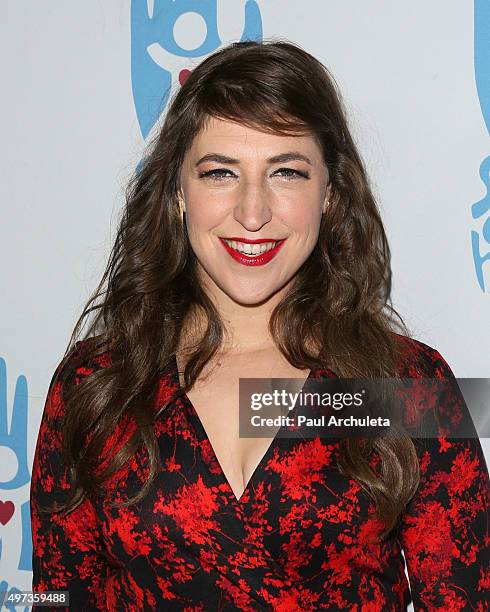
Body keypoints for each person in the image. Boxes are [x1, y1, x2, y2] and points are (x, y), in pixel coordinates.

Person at [30, 39, 490, 611]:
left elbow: (468, 600)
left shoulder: (403, 385)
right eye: (220, 172)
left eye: (287, 173)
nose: (253, 212)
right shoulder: (97, 382)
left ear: (330, 193)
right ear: (177, 190)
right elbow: (55, 598)